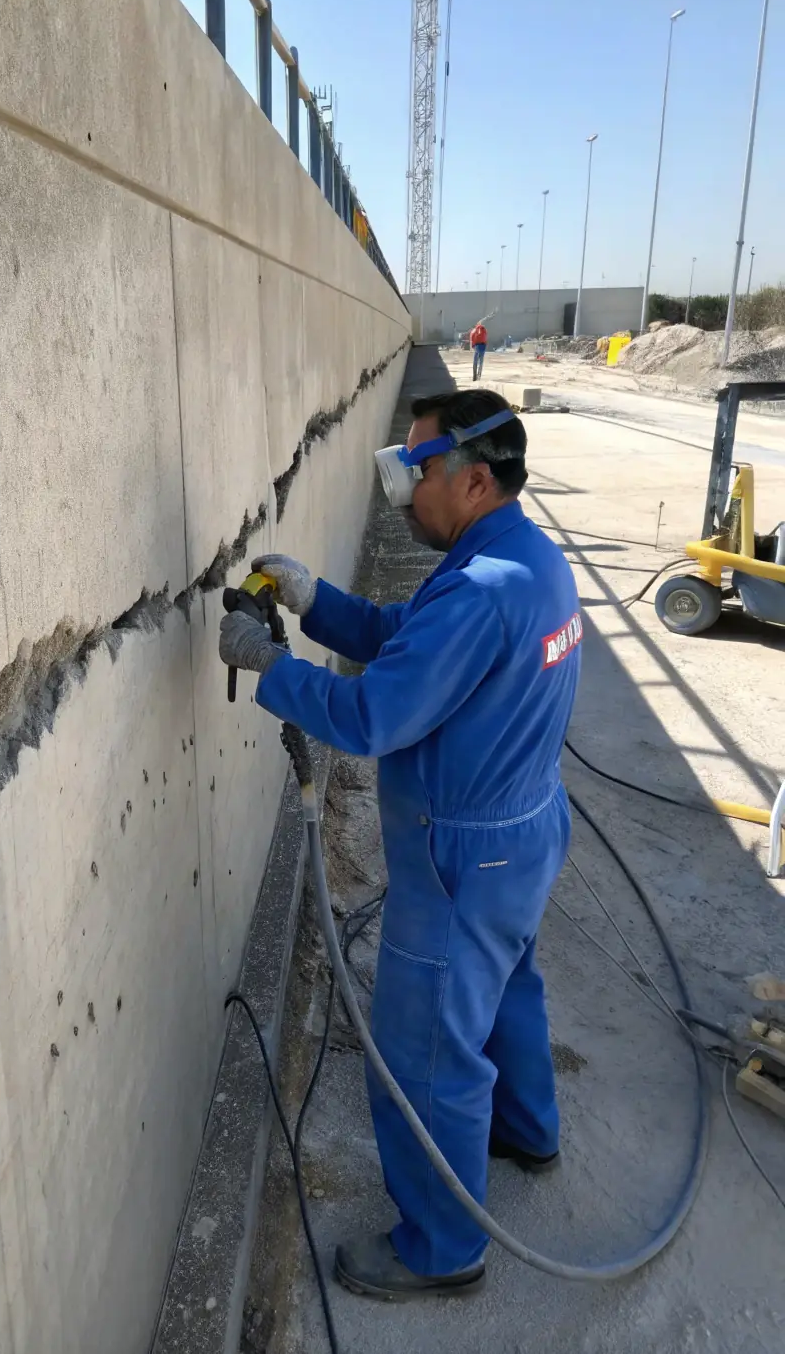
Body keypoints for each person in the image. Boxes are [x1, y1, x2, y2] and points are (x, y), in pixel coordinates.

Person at [219, 389, 582, 1300]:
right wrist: (316, 604)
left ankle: (443, 1244)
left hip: (459, 864)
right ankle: (527, 1127)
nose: (402, 493)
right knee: (507, 992)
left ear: (471, 478)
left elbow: (377, 712)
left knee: (426, 1054)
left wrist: (275, 671)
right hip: (523, 834)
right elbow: (411, 644)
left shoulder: (481, 589)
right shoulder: (522, 559)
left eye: (412, 471)